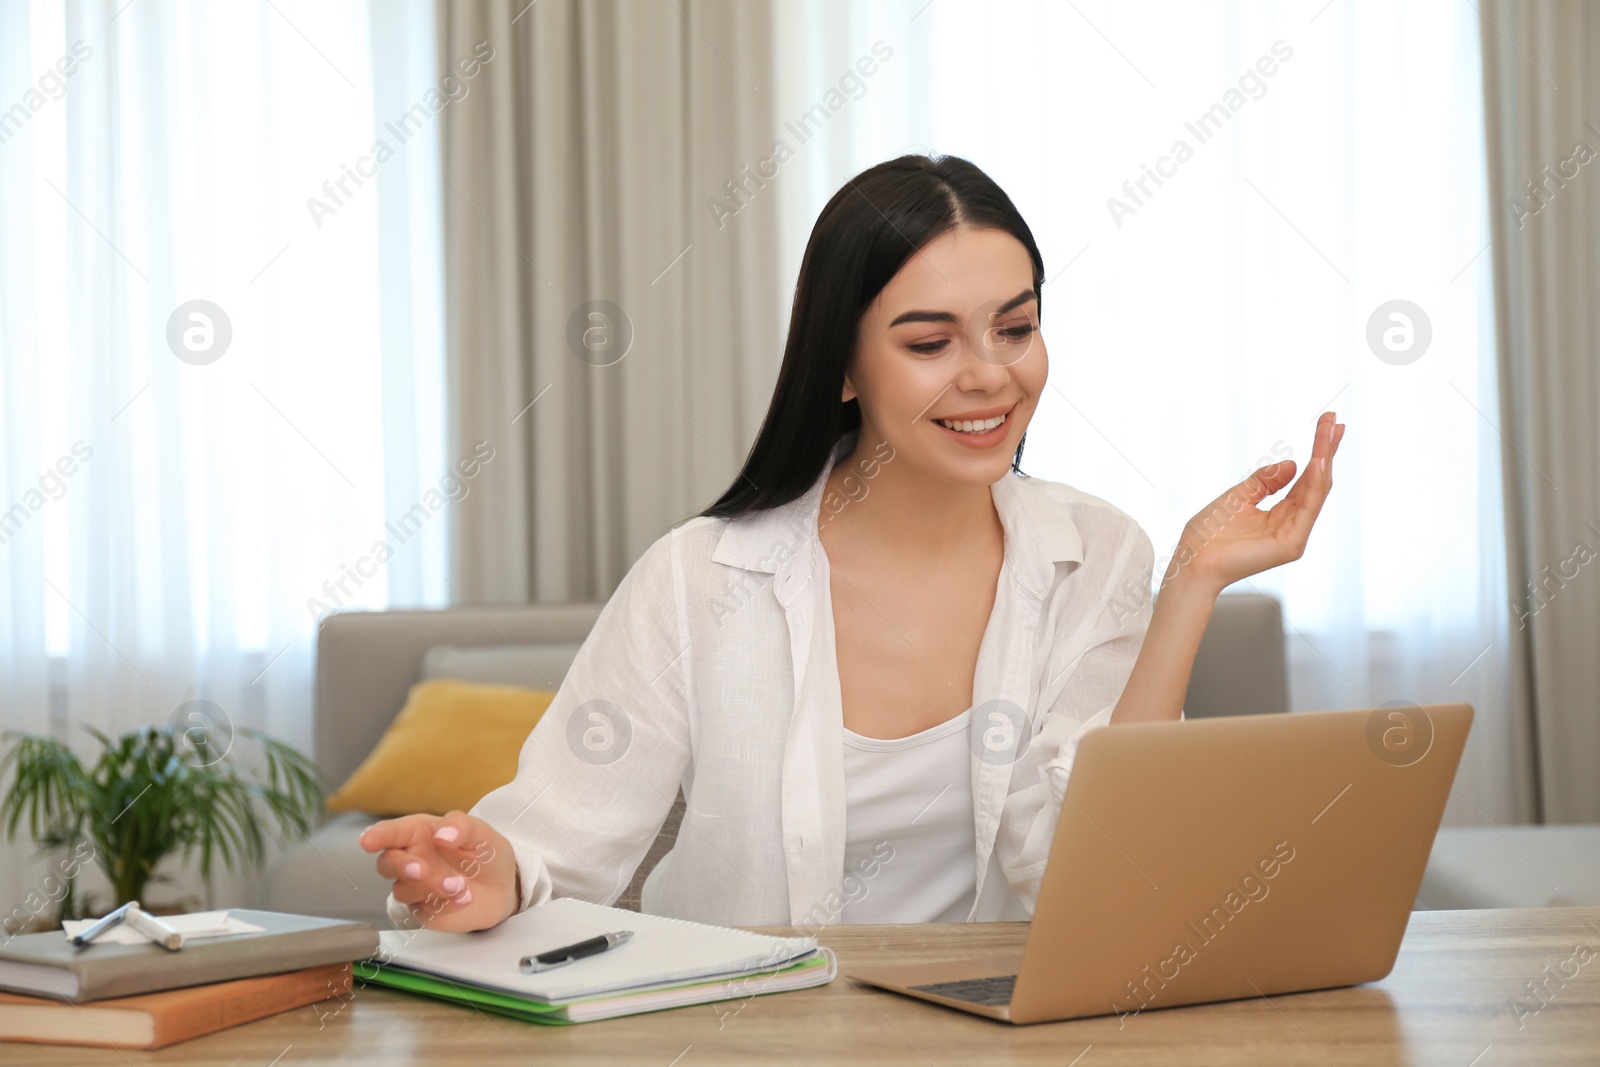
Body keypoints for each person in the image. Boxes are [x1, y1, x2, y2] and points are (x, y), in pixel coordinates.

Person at [360, 153, 1345, 932]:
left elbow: (1090, 873)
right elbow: (553, 845)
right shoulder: (697, 578)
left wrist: (1188, 587)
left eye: (1016, 327)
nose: (990, 375)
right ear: (841, 365)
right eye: (929, 343)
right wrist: (487, 875)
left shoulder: (1098, 555)